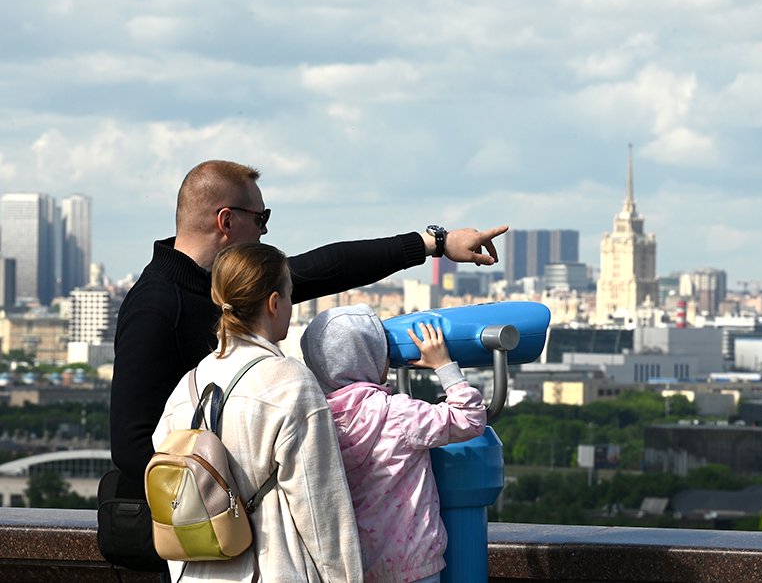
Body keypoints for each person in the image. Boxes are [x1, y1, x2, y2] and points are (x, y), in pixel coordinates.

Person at [108, 159, 506, 570]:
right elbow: (133, 445)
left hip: (224, 549)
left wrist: (434, 243)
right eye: (261, 217)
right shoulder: (157, 307)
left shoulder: (223, 288)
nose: (265, 230)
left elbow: (326, 267)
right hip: (206, 543)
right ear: (226, 220)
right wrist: (231, 500)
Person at [153, 242, 362, 581]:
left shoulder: (187, 387)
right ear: (274, 303)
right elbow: (323, 510)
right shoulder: (289, 383)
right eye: (290, 296)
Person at [300, 304, 486, 583]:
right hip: (412, 565)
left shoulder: (315, 421)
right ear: (371, 356)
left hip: (353, 567)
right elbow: (470, 418)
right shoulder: (398, 414)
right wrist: (443, 365)